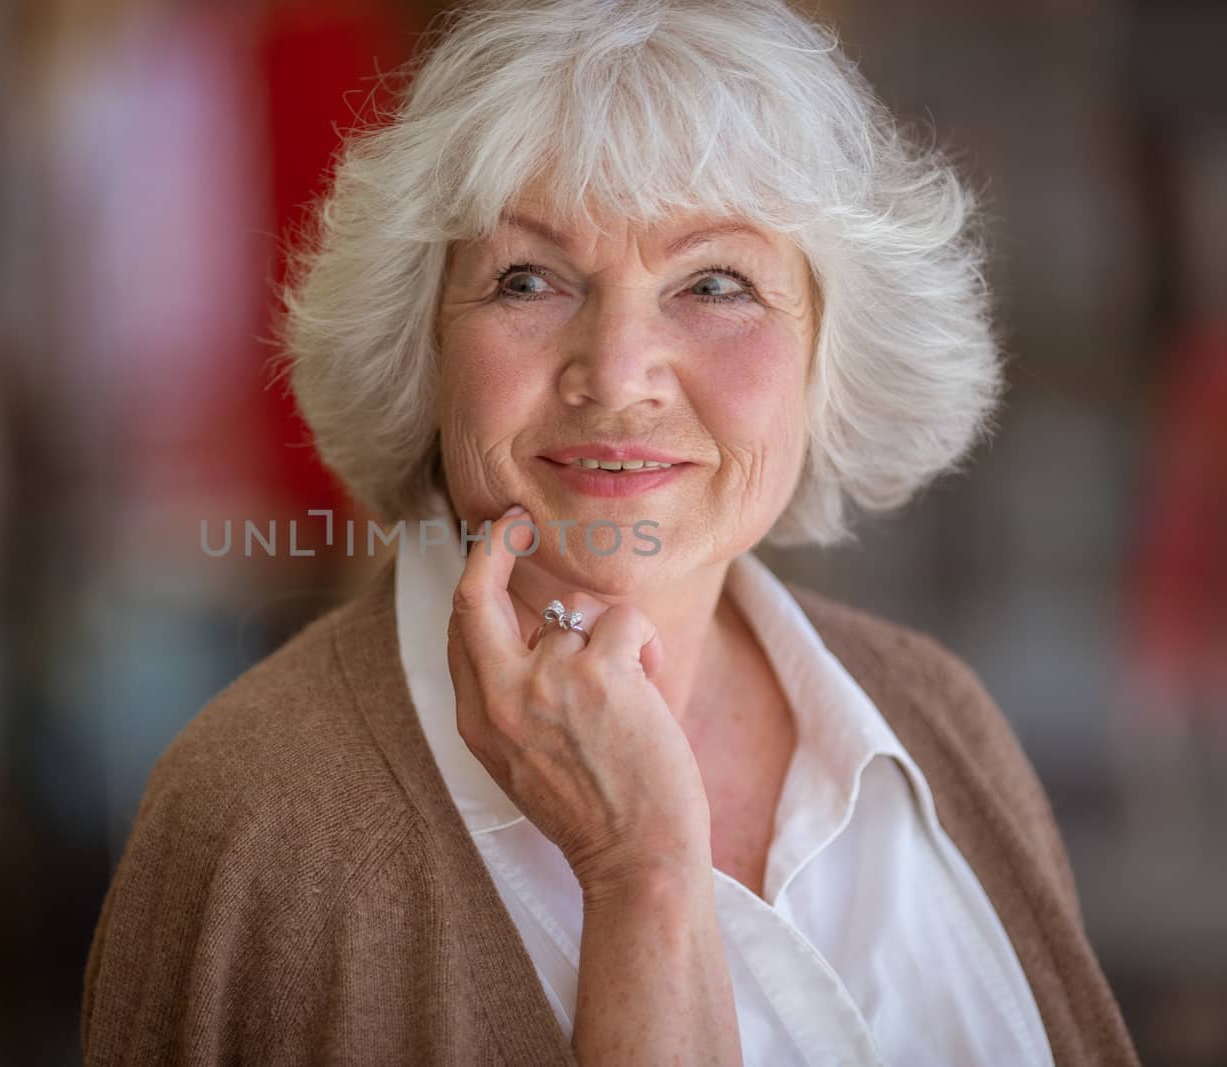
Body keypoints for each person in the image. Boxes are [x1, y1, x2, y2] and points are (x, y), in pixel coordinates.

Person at [83, 1, 1140, 1062]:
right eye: (527, 279)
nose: (617, 371)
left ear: (831, 352)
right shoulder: (254, 818)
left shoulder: (936, 721)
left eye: (713, 283)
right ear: (424, 346)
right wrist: (643, 873)